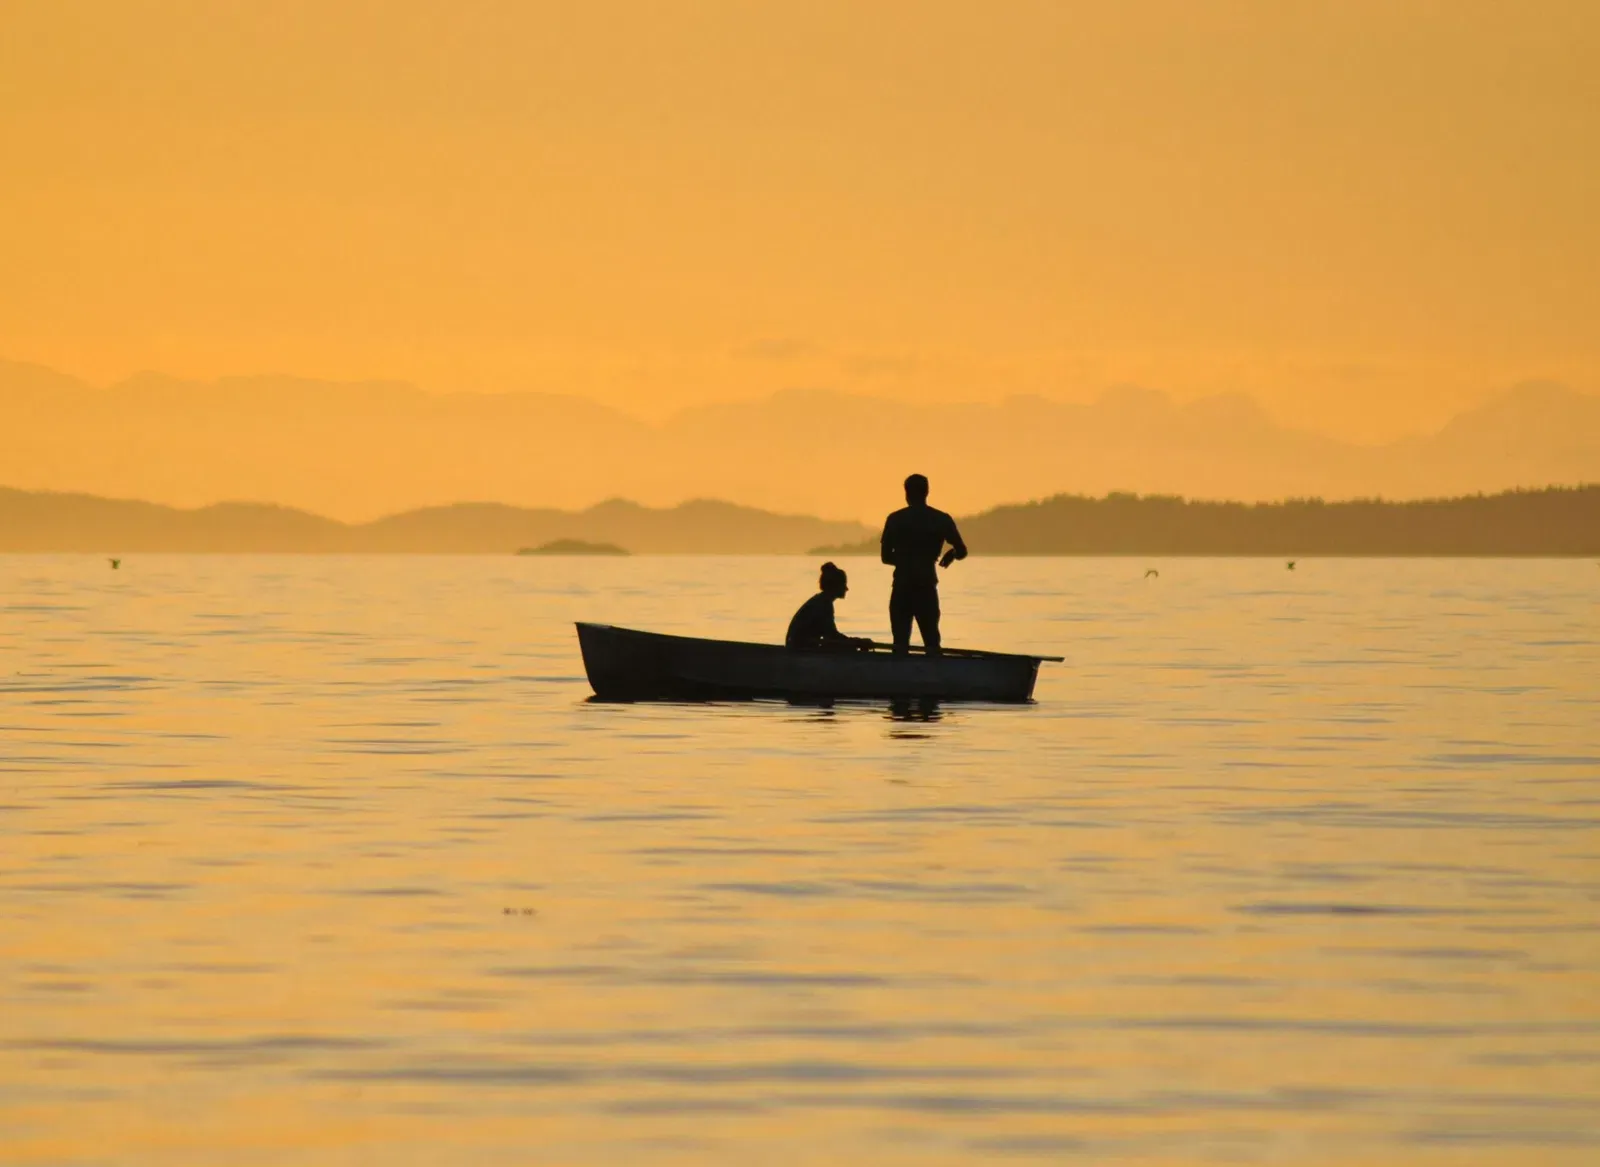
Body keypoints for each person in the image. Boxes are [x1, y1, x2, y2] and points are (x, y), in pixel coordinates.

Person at [880, 473, 966, 652]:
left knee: (900, 643)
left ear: (906, 494)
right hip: (926, 585)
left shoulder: (895, 519)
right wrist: (952, 553)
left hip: (902, 586)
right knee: (932, 642)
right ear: (927, 492)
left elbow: (886, 557)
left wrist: (906, 560)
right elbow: (962, 550)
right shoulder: (941, 519)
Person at [786, 562, 873, 651]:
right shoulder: (823, 605)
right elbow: (832, 636)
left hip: (800, 646)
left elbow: (830, 636)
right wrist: (857, 642)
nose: (846, 588)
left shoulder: (821, 601)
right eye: (844, 584)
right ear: (835, 585)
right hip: (800, 650)